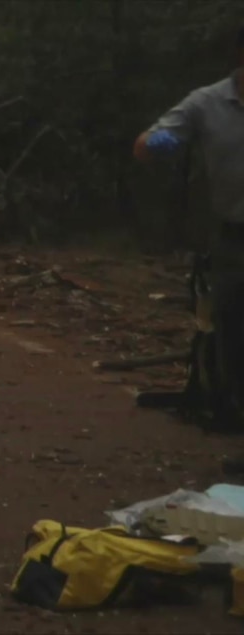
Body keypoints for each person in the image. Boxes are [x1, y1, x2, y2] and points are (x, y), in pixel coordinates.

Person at [133, 25, 244, 428]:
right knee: (232, 337)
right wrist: (157, 143)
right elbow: (146, 143)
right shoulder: (207, 103)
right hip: (235, 238)